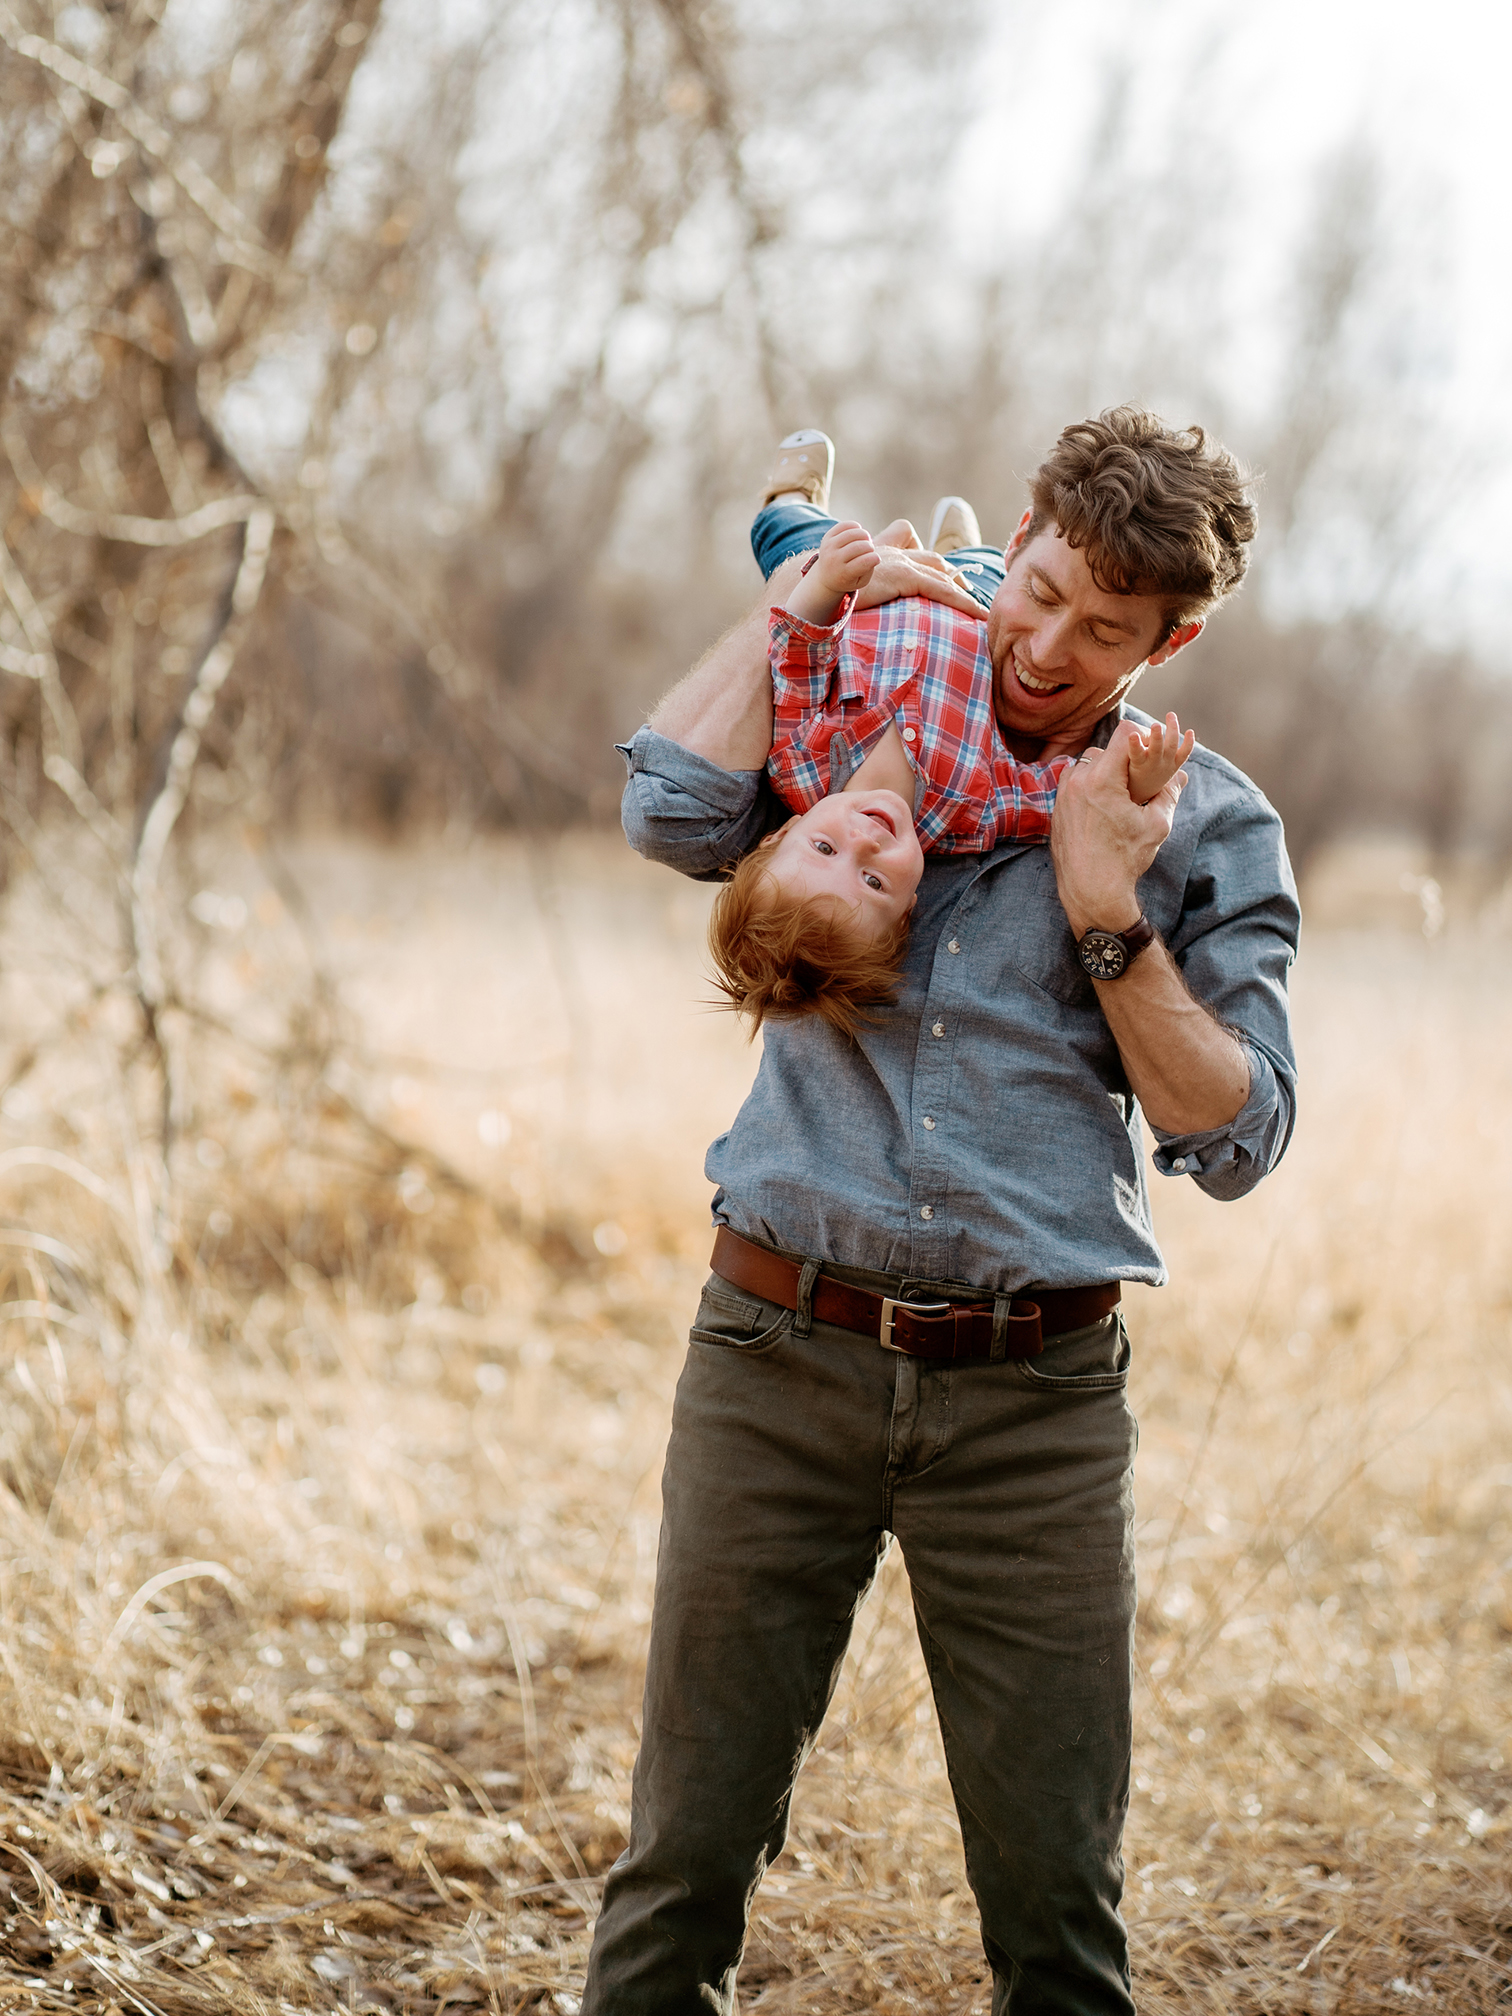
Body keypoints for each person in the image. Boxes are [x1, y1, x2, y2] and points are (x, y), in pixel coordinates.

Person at [581, 407, 1300, 2016]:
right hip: (776, 1354)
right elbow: (674, 813)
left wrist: (1105, 903)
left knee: (1057, 1910)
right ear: (1019, 538)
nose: (1039, 645)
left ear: (1169, 640)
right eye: (1033, 588)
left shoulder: (1204, 819)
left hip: (1033, 1407)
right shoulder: (862, 713)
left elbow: (1238, 1136)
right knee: (678, 1867)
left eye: (1100, 630)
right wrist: (809, 598)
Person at [708, 498, 1194, 1032]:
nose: (863, 843)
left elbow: (798, 656)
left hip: (871, 588)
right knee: (985, 568)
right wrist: (1134, 780)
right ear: (910, 905)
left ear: (783, 834)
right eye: (873, 882)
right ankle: (962, 549)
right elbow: (1053, 796)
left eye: (824, 848)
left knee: (795, 538)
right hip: (974, 602)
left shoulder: (797, 764)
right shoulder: (969, 815)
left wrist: (825, 583)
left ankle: (787, 498)